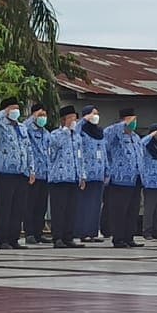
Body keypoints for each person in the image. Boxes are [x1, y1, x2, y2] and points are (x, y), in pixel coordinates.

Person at [0, 99, 35, 250]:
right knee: (4, 207)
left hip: (22, 172)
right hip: (5, 172)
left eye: (17, 108)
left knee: (17, 208)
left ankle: (14, 238)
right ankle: (2, 239)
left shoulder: (21, 127)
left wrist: (31, 169)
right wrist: (2, 114)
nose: (16, 111)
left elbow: (28, 148)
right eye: (13, 108)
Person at [45, 106, 86, 248]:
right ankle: (58, 238)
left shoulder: (77, 137)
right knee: (59, 210)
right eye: (71, 118)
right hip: (59, 178)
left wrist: (82, 176)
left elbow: (80, 157)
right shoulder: (55, 135)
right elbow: (51, 154)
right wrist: (65, 133)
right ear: (64, 120)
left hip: (73, 178)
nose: (74, 121)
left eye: (75, 118)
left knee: (71, 210)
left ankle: (68, 237)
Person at [102, 108, 142, 247]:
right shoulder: (114, 134)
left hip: (135, 178)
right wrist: (122, 125)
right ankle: (118, 238)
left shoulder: (136, 137)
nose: (133, 123)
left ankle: (129, 237)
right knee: (119, 211)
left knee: (133, 210)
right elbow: (106, 136)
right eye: (131, 120)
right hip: (119, 179)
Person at [74, 107, 107, 242]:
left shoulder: (100, 132)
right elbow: (74, 133)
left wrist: (107, 170)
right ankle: (82, 232)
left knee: (95, 205)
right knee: (84, 205)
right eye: (93, 113)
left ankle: (93, 232)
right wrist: (83, 121)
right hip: (86, 173)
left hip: (99, 174)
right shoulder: (81, 131)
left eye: (97, 113)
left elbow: (104, 152)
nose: (95, 116)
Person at [24, 105, 52, 244]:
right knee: (30, 204)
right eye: (40, 114)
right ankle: (29, 233)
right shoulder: (28, 128)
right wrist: (33, 117)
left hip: (45, 173)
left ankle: (38, 232)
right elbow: (24, 126)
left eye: (44, 115)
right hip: (32, 174)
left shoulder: (46, 133)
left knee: (41, 206)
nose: (43, 117)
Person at [138, 124, 157, 243]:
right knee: (149, 209)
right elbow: (140, 144)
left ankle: (156, 231)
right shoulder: (147, 147)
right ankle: (147, 231)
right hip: (150, 182)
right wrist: (150, 135)